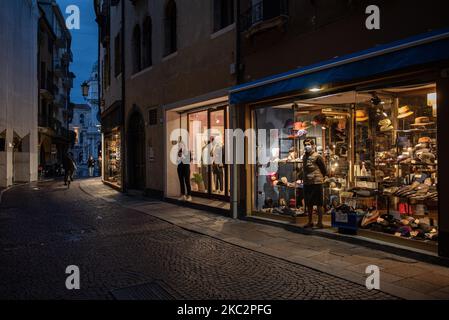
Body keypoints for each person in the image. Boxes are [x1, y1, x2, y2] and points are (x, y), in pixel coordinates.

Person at [298, 139, 328, 229]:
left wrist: (319, 177)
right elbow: (305, 169)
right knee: (309, 203)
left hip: (317, 182)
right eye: (305, 144)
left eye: (309, 144)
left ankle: (320, 222)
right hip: (307, 183)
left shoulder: (318, 156)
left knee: (319, 203)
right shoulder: (304, 157)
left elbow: (324, 170)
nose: (307, 146)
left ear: (313, 145)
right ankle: (310, 221)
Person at [176, 137, 192, 202]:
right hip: (180, 167)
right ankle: (183, 195)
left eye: (181, 144)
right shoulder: (178, 152)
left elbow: (188, 160)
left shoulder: (188, 151)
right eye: (179, 144)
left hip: (186, 168)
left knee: (187, 181)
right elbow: (177, 160)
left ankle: (189, 195)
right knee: (181, 181)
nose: (179, 145)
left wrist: (181, 155)